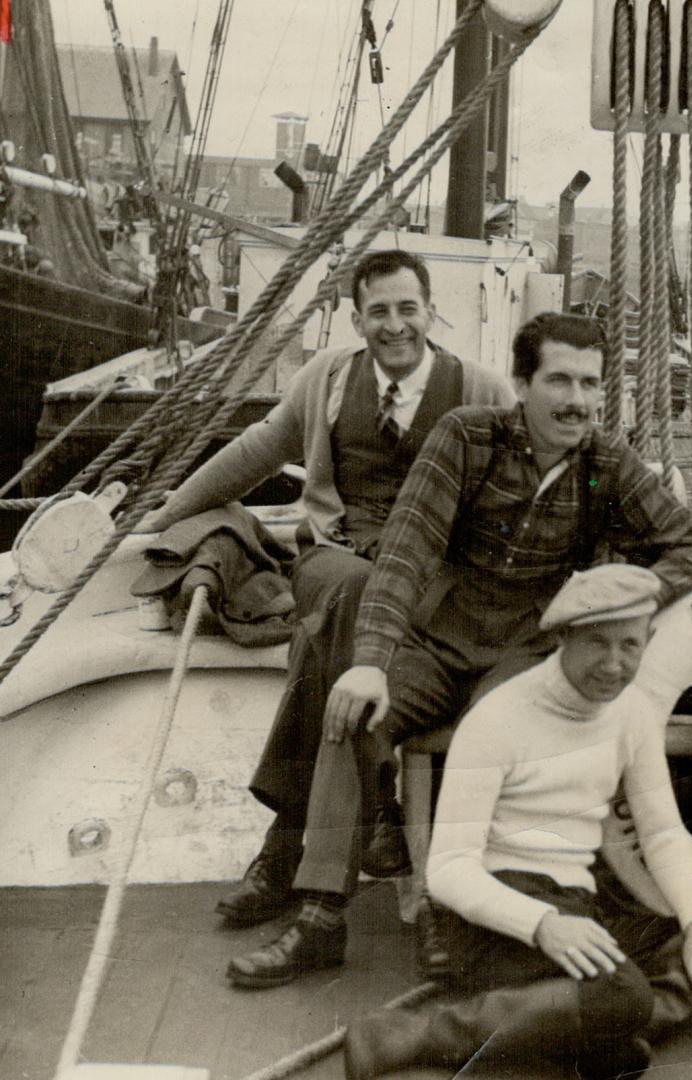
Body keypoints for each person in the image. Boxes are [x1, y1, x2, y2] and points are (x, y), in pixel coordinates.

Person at [224, 311, 692, 988]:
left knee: (498, 743)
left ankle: (460, 915)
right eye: (559, 381)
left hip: (527, 647)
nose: (577, 400)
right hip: (438, 634)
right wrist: (370, 662)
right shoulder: (467, 437)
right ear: (521, 383)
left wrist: (621, 595)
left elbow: (691, 548)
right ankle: (319, 918)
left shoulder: (607, 465)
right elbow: (403, 554)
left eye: (590, 384)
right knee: (350, 714)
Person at [145, 249, 514, 927]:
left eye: (408, 309)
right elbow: (255, 452)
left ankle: (283, 850)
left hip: (432, 580)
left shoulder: (480, 389)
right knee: (352, 590)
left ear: (431, 312)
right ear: (357, 318)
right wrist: (165, 514)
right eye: (379, 312)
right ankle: (379, 804)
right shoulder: (326, 379)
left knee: (333, 633)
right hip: (334, 560)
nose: (395, 325)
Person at [342, 563, 692, 1079]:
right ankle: (418, 1033)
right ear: (563, 638)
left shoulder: (632, 712)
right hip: (495, 919)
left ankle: (593, 1030)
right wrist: (543, 926)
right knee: (620, 991)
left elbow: (662, 834)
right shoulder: (497, 718)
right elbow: (449, 870)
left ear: (649, 640)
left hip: (578, 906)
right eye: (597, 643)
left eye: (630, 645)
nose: (614, 665)